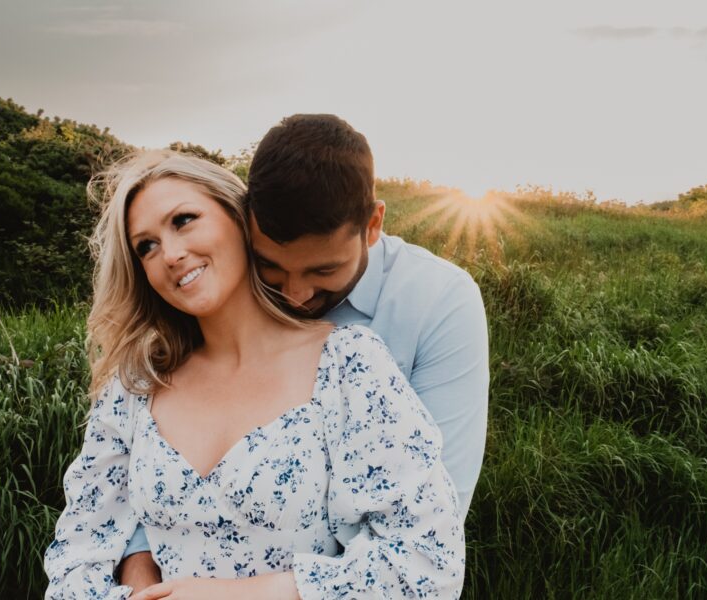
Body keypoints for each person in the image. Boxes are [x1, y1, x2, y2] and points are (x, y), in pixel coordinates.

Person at [44, 150, 465, 599]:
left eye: (183, 220)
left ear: (239, 218)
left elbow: (426, 565)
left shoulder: (350, 365)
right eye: (145, 246)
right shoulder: (136, 384)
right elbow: (75, 558)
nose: (169, 253)